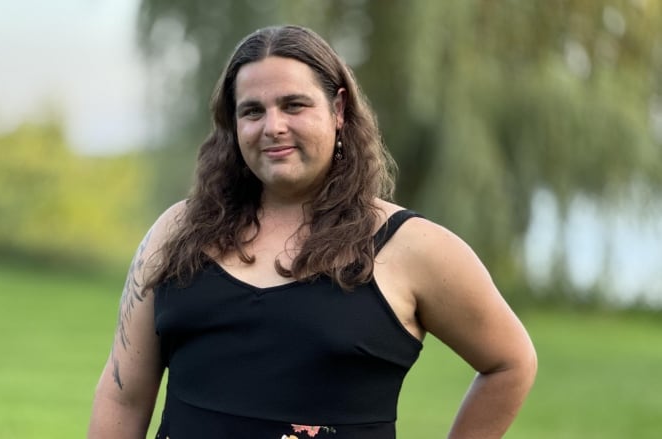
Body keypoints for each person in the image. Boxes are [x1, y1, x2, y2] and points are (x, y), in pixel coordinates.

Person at [88, 24, 536, 439]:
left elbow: (510, 363)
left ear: (338, 109)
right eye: (252, 111)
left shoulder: (412, 247)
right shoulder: (178, 231)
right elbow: (123, 393)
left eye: (294, 105)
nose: (273, 126)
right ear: (234, 125)